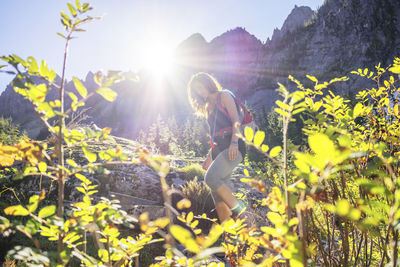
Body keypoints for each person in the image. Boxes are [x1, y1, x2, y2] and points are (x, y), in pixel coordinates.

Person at [187, 72, 247, 223]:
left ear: (208, 83)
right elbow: (215, 137)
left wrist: (234, 142)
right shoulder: (208, 107)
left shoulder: (224, 96)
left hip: (234, 145)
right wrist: (209, 158)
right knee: (216, 191)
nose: (200, 91)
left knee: (211, 178)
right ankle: (230, 233)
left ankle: (244, 215)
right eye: (196, 90)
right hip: (221, 149)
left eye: (201, 86)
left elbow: (236, 120)